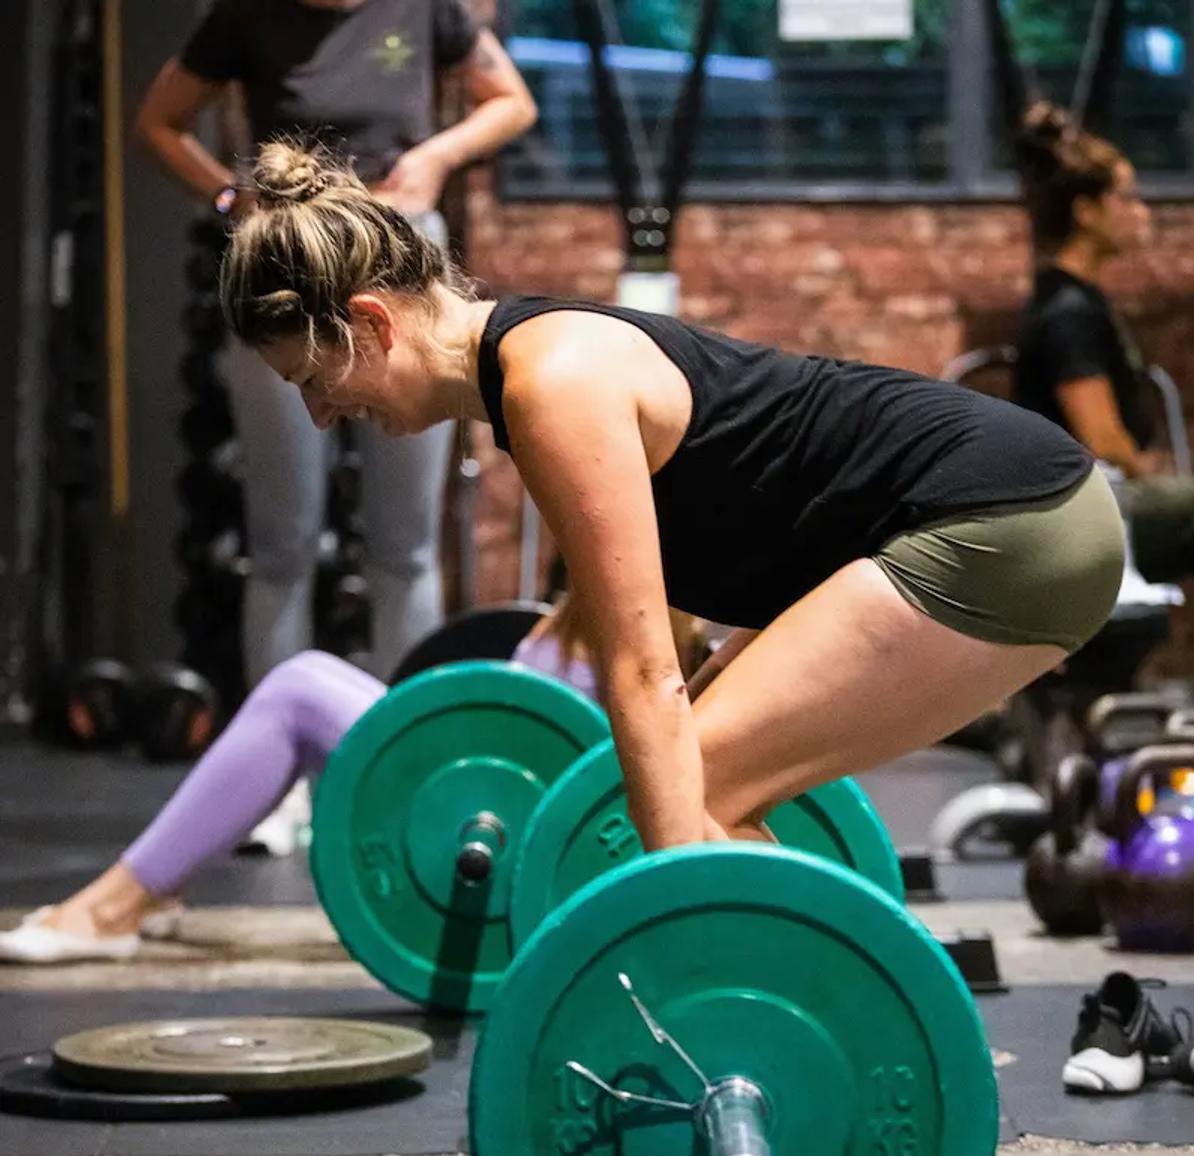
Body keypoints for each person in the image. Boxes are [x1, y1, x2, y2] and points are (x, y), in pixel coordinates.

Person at [214, 141, 1126, 854]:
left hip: (1004, 525)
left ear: (371, 324)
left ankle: (855, 1037)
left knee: (697, 788)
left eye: (314, 376)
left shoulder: (550, 385)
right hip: (1017, 511)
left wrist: (658, 908)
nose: (323, 414)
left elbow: (643, 674)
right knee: (700, 784)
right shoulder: (530, 369)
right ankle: (846, 1030)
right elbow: (686, 628)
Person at [136, 0, 537, 683]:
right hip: (289, 267)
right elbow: (158, 123)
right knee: (281, 543)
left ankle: (398, 764)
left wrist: (435, 157)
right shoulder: (246, 16)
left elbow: (511, 102)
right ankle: (284, 765)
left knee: (404, 545)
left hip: (397, 259)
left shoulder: (422, 8)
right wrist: (230, 201)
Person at [0, 605, 602, 963]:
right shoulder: (610, 560)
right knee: (306, 680)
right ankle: (142, 893)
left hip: (540, 834)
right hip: (501, 784)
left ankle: (114, 910)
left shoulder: (663, 592)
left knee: (298, 693)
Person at [1013, 103, 1159, 482]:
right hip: (1090, 498)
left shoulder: (1076, 299)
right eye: (1127, 198)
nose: (1142, 213)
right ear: (1087, 212)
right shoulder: (1069, 312)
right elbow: (1102, 440)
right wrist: (1153, 475)